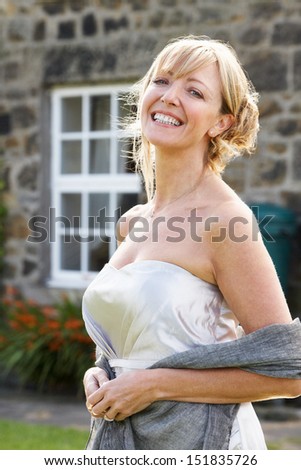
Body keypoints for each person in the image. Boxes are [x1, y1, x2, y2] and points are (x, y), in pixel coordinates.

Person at [82, 35, 301, 450]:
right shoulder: (132, 224)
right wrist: (101, 373)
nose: (169, 97)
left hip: (204, 443)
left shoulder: (226, 221)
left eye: (194, 91)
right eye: (162, 81)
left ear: (222, 123)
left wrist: (155, 385)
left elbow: (289, 372)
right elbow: (136, 338)